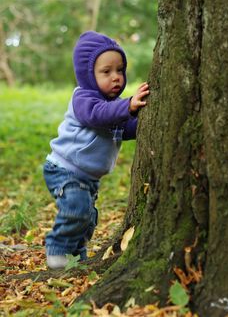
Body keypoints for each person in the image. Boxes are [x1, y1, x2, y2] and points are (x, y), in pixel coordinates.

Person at [43, 31, 149, 269]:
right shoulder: (84, 98)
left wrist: (145, 117)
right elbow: (97, 116)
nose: (116, 78)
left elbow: (126, 129)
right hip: (65, 169)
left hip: (89, 177)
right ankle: (57, 250)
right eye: (106, 72)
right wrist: (128, 105)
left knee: (88, 220)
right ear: (88, 75)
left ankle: (75, 258)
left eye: (120, 70)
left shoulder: (114, 107)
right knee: (77, 210)